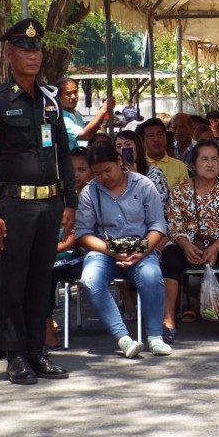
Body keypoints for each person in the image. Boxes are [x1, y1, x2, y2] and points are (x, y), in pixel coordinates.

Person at [0, 18, 74, 384]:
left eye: (37, 49)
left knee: (41, 279)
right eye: (25, 49)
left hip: (49, 203)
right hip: (13, 207)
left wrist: (70, 201)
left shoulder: (50, 101)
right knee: (14, 281)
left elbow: (64, 153)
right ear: (9, 54)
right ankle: (15, 355)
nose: (33, 55)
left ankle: (36, 351)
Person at [76, 142, 171, 358]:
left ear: (119, 161)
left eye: (108, 170)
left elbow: (158, 226)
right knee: (90, 279)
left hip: (140, 247)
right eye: (97, 173)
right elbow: (83, 233)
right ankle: (123, 339)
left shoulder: (143, 185)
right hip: (104, 251)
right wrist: (111, 251)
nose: (104, 177)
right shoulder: (90, 191)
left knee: (151, 275)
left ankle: (155, 336)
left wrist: (142, 251)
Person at [161, 140, 219, 344]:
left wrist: (216, 247)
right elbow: (174, 226)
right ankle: (168, 321)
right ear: (193, 165)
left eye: (214, 159)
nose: (210, 164)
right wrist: (185, 245)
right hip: (188, 243)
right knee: (169, 256)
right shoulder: (179, 190)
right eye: (204, 159)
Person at [46, 146, 94, 348]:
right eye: (71, 170)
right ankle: (41, 320)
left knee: (45, 270)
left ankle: (47, 326)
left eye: (82, 170)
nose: (76, 175)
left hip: (79, 252)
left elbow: (76, 237)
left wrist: (50, 251)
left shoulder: (90, 195)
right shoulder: (62, 195)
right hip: (56, 247)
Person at [114, 130, 170, 211]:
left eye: (128, 144)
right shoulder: (114, 176)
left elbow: (157, 209)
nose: (123, 149)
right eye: (119, 147)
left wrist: (135, 178)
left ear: (138, 147)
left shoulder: (154, 173)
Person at [57, 77, 115, 149]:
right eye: (68, 94)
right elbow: (85, 136)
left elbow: (90, 134)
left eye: (75, 92)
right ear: (58, 97)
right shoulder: (59, 117)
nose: (73, 96)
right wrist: (103, 109)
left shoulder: (76, 114)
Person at [137, 118, 190, 189]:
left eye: (160, 134)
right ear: (142, 141)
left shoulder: (179, 166)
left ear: (166, 137)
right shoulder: (137, 166)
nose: (156, 139)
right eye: (151, 135)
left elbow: (185, 193)